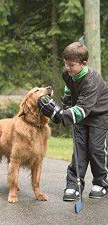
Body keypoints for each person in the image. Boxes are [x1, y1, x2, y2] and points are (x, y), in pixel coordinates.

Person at [38, 42, 108, 201]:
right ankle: (74, 185)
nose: (67, 67)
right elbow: (69, 86)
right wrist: (66, 102)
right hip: (81, 114)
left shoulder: (92, 80)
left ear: (84, 64)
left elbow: (83, 108)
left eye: (71, 64)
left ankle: (101, 183)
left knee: (96, 149)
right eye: (65, 63)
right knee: (79, 149)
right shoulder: (67, 72)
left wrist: (61, 115)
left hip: (100, 116)